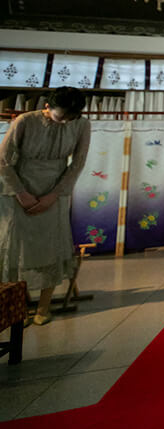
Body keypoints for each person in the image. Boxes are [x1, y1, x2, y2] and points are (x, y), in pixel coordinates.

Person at [0, 86, 91, 326]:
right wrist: (21, 193)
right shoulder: (24, 121)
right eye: (61, 117)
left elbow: (77, 163)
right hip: (19, 188)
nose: (66, 122)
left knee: (51, 244)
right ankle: (17, 305)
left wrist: (55, 195)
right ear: (47, 107)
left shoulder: (81, 124)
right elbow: (3, 160)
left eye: (71, 118)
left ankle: (44, 307)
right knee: (16, 245)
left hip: (55, 189)